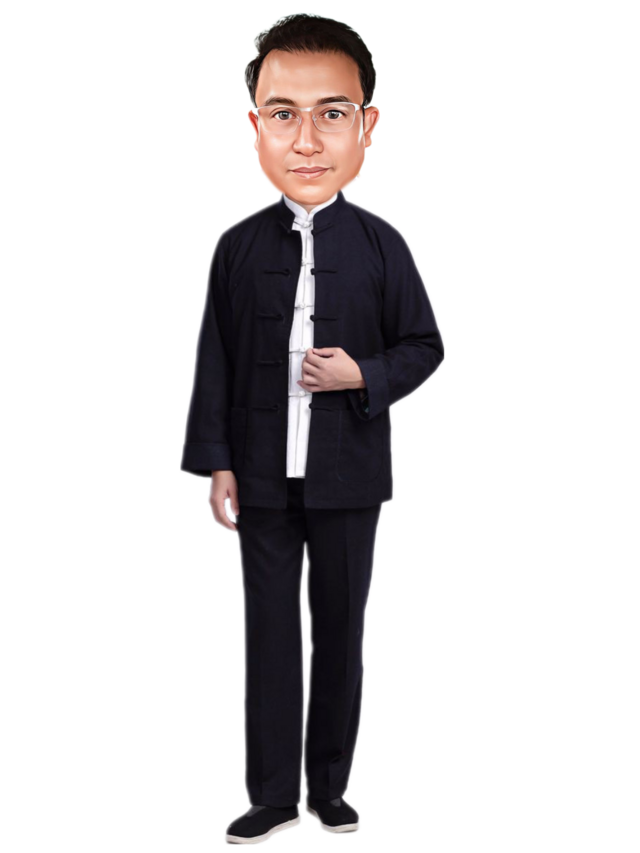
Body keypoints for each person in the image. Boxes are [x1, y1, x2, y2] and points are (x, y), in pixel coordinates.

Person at [178, 11, 445, 845]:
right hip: (259, 474)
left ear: (367, 126)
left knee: (338, 632)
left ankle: (329, 788)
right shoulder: (233, 245)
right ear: (254, 126)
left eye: (331, 112)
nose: (306, 139)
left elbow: (425, 344)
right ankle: (270, 795)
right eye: (282, 112)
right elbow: (214, 359)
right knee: (266, 637)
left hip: (348, 472)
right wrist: (216, 463)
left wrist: (362, 373)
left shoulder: (383, 243)